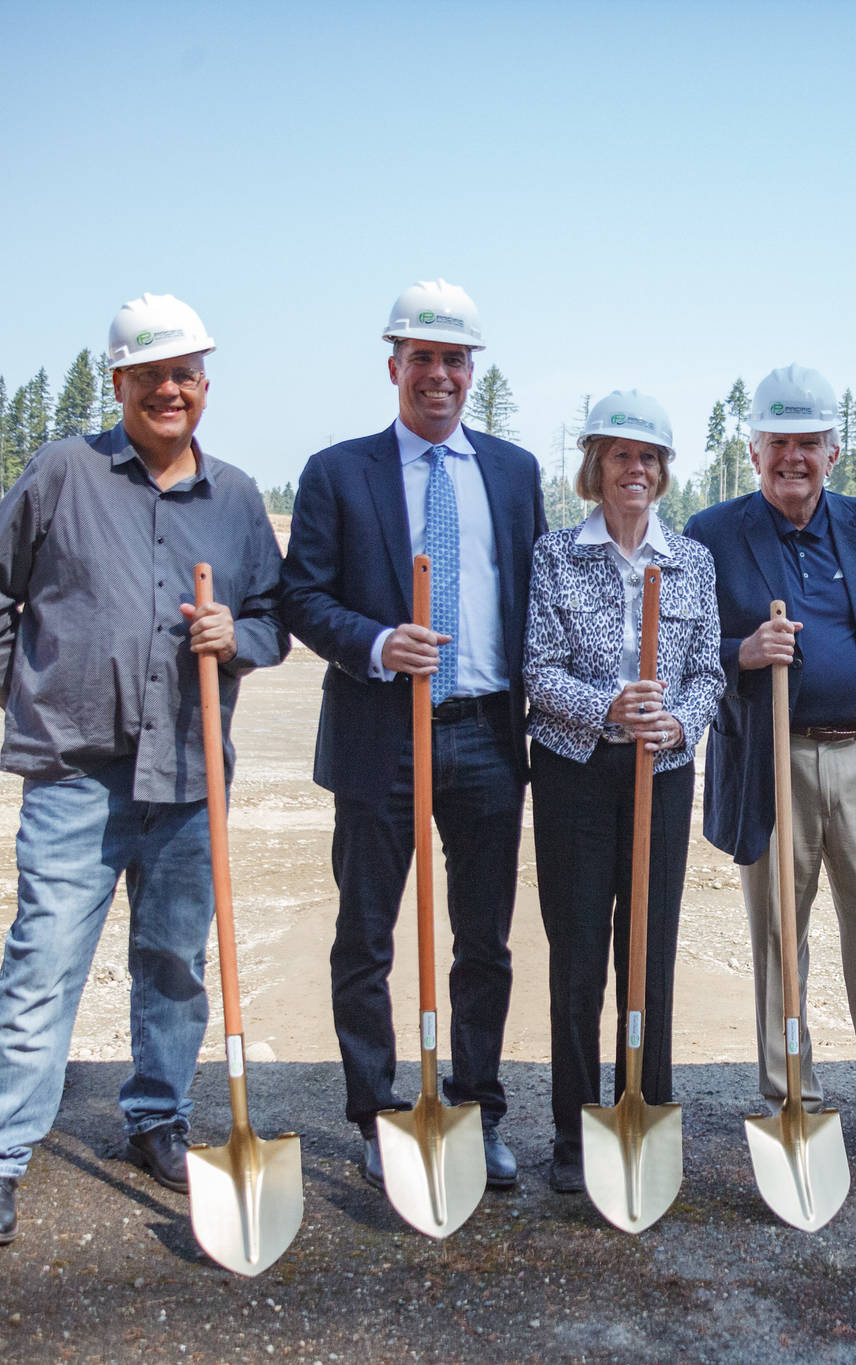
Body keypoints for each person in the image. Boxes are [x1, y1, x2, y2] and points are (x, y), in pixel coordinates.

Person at [0, 294, 286, 1246]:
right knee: (44, 962)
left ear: (205, 387)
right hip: (76, 774)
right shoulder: (65, 470)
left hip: (189, 778)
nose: (169, 390)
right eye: (150, 376)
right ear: (119, 384)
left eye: (185, 374)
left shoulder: (236, 497)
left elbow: (273, 618)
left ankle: (156, 1118)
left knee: (174, 965)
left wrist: (240, 634)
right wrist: (39, 697)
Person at [279, 279, 545, 1192]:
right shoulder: (338, 472)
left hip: (483, 739)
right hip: (379, 734)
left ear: (474, 371)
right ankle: (374, 1112)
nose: (439, 374)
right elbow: (302, 598)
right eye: (422, 357)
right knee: (366, 934)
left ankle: (476, 1108)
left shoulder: (512, 475)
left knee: (486, 941)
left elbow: (532, 602)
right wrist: (377, 642)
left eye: (454, 359)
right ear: (393, 365)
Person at [683, 364, 856, 1162]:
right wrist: (743, 651)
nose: (794, 456)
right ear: (753, 450)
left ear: (835, 450)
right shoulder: (712, 533)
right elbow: (688, 650)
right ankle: (794, 1098)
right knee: (781, 936)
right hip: (770, 758)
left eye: (809, 443)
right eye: (778, 441)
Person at [524, 391, 724, 1193]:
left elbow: (709, 670)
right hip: (575, 773)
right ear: (595, 467)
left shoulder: (693, 563)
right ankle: (575, 1135)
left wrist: (679, 723)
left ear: (663, 471)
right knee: (578, 957)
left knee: (650, 953)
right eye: (619, 455)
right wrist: (603, 705)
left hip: (661, 778)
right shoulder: (555, 557)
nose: (634, 469)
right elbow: (536, 671)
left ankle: (644, 1107)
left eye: (648, 457)